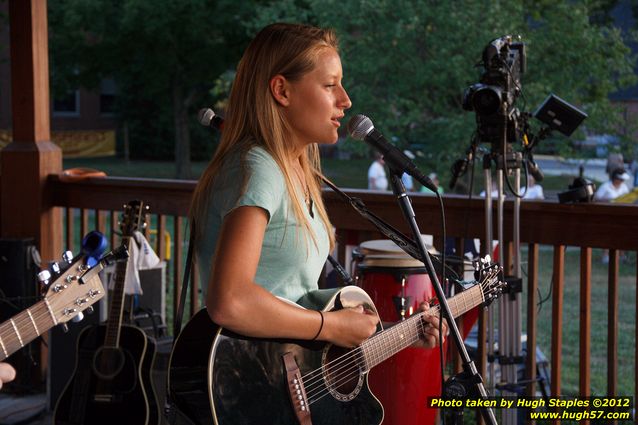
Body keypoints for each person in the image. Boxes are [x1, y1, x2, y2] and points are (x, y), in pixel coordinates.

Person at [189, 23, 445, 353]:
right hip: (246, 383)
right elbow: (230, 301)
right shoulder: (259, 168)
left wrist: (401, 333)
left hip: (280, 375)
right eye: (330, 85)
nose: (346, 101)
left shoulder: (296, 171)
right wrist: (331, 326)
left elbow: (293, 308)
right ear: (282, 91)